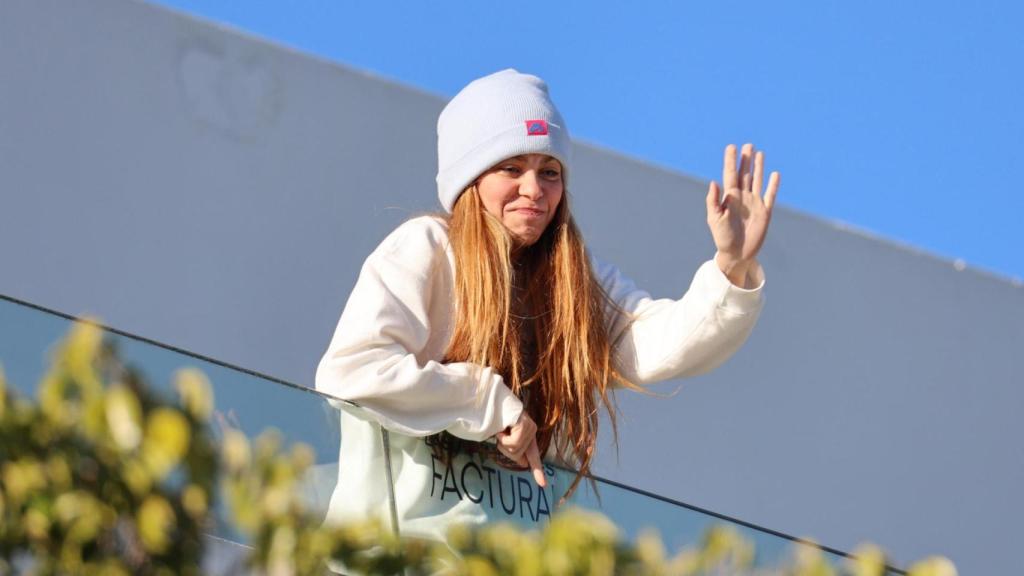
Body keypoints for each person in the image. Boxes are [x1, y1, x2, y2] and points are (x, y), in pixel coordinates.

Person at [315, 69, 779, 543]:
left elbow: (656, 344)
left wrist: (731, 265)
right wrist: (489, 403)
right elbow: (353, 369)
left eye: (549, 172)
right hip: (394, 556)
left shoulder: (573, 277)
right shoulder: (427, 247)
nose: (534, 189)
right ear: (470, 180)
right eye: (511, 168)